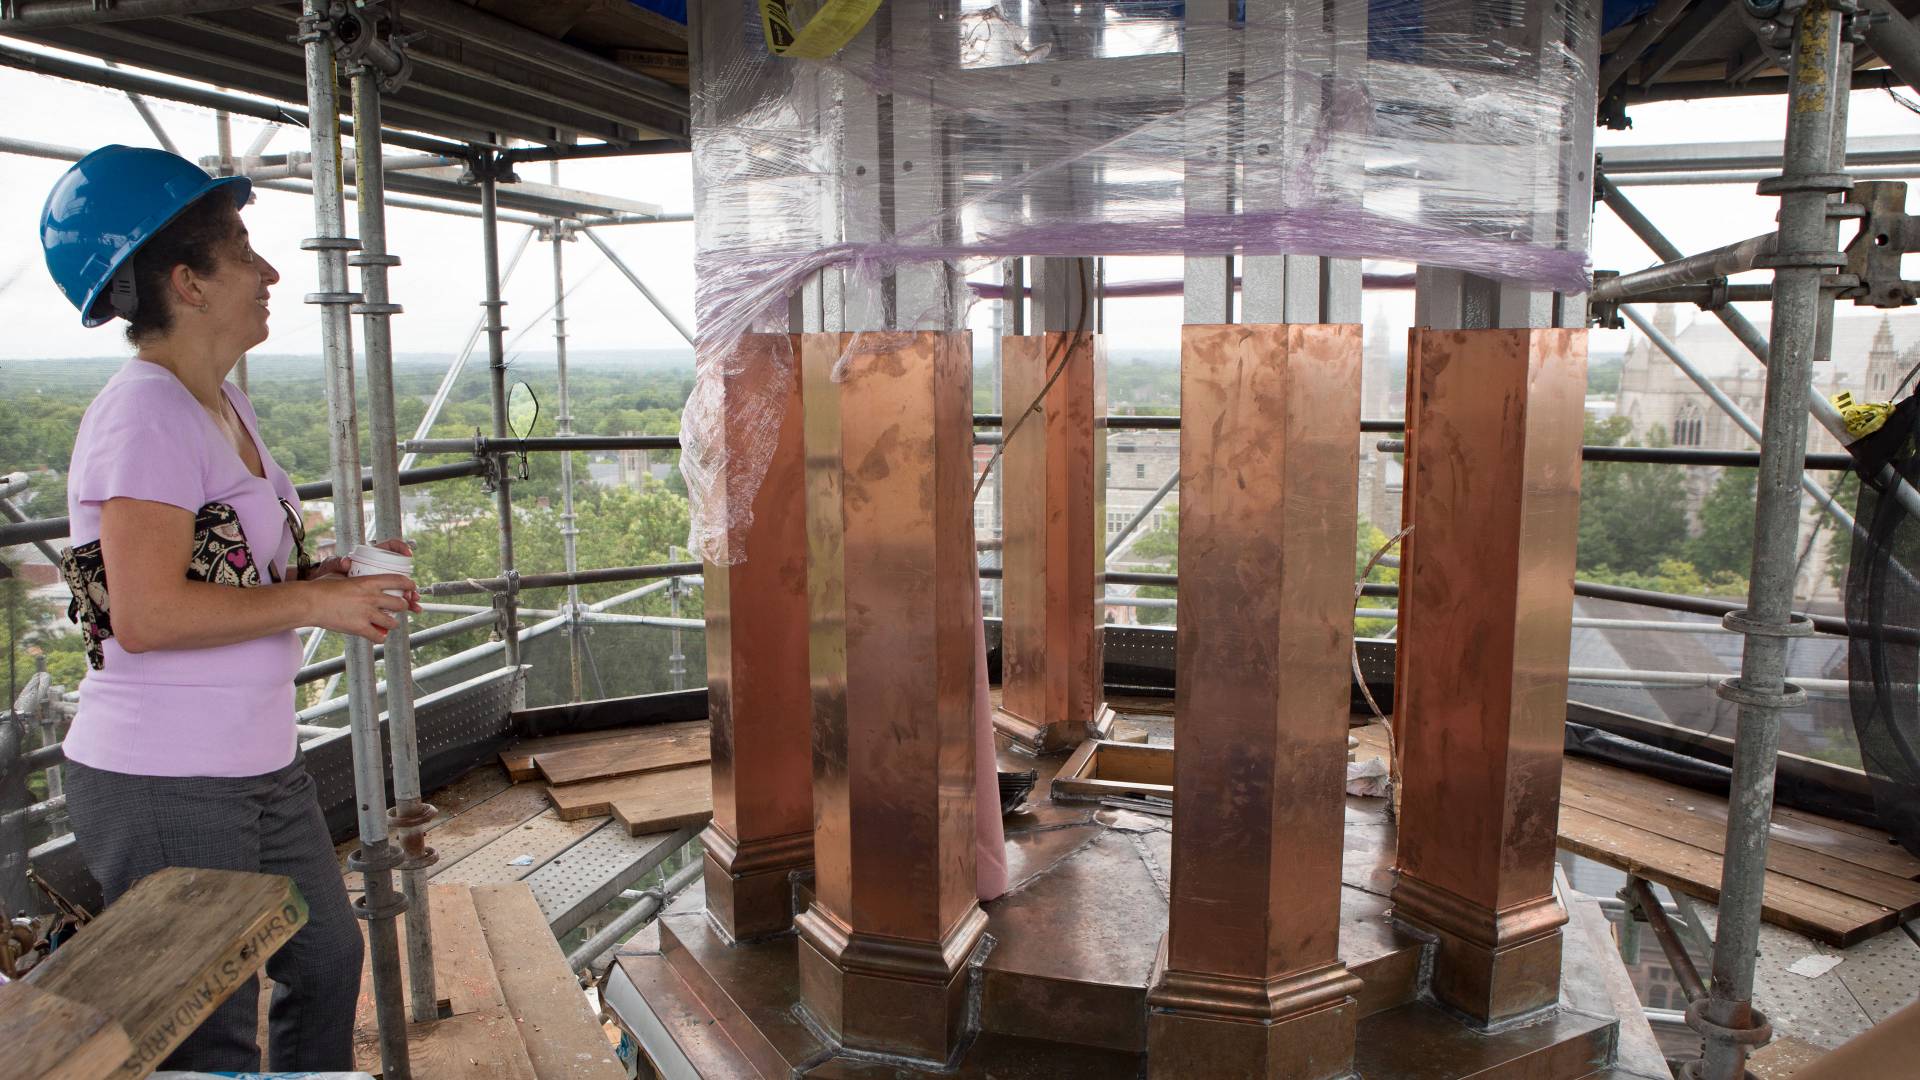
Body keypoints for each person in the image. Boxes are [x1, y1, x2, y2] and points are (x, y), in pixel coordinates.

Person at [40, 145, 419, 1072]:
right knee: (206, 1027)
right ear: (188, 281)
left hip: (256, 764)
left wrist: (326, 573)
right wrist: (317, 600)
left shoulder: (219, 406)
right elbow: (148, 615)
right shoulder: (144, 414)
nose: (270, 272)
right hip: (167, 777)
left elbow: (224, 576)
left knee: (327, 960)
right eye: (244, 250)